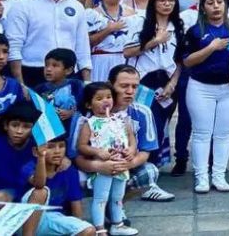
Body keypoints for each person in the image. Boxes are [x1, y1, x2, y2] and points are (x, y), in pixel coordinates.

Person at [71, 64, 175, 204]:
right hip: (93, 166)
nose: (130, 91)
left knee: (150, 171)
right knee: (75, 176)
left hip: (125, 166)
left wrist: (126, 164)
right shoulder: (85, 115)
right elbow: (76, 156)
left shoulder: (142, 112)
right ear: (110, 85)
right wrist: (99, 166)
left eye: (135, 86)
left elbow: (145, 152)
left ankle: (119, 201)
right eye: (124, 86)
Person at [182, 0, 229, 193]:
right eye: (210, 3)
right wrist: (211, 47)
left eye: (220, 2)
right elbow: (187, 61)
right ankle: (201, 176)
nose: (216, 6)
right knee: (202, 133)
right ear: (203, 7)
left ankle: (219, 175)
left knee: (223, 133)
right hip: (201, 87)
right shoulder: (195, 31)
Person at [5, 0, 92, 87]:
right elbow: (14, 45)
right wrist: (20, 83)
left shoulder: (77, 7)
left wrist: (87, 81)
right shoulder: (23, 6)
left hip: (69, 74)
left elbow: (82, 46)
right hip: (33, 72)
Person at [122, 0, 183, 169]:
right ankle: (140, 164)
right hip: (144, 81)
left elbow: (180, 59)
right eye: (162, 0)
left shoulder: (178, 25)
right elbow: (128, 51)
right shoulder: (141, 22)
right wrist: (155, 41)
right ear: (154, 2)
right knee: (146, 123)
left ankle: (154, 165)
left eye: (171, 0)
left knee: (162, 123)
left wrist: (173, 83)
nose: (167, 4)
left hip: (168, 81)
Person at [76, 81, 137, 236]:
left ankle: (118, 224)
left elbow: (131, 138)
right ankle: (99, 228)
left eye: (108, 97)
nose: (105, 101)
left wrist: (131, 150)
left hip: (121, 165)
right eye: (99, 98)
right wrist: (97, 151)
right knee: (101, 198)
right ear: (88, 104)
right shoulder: (89, 123)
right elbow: (81, 146)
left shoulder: (122, 120)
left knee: (117, 197)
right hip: (102, 167)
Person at [0, 100, 38, 201]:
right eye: (15, 125)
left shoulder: (37, 148)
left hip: (23, 195)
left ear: (33, 129)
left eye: (26, 127)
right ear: (6, 126)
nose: (19, 131)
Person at [87, 0, 134, 83]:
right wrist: (108, 29)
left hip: (125, 60)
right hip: (100, 60)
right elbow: (87, 42)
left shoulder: (131, 13)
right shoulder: (92, 14)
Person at [35, 48, 83, 135]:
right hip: (49, 132)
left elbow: (83, 105)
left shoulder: (76, 85)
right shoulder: (39, 89)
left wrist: (71, 112)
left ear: (68, 70)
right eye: (46, 65)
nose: (48, 69)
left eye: (55, 66)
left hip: (72, 129)